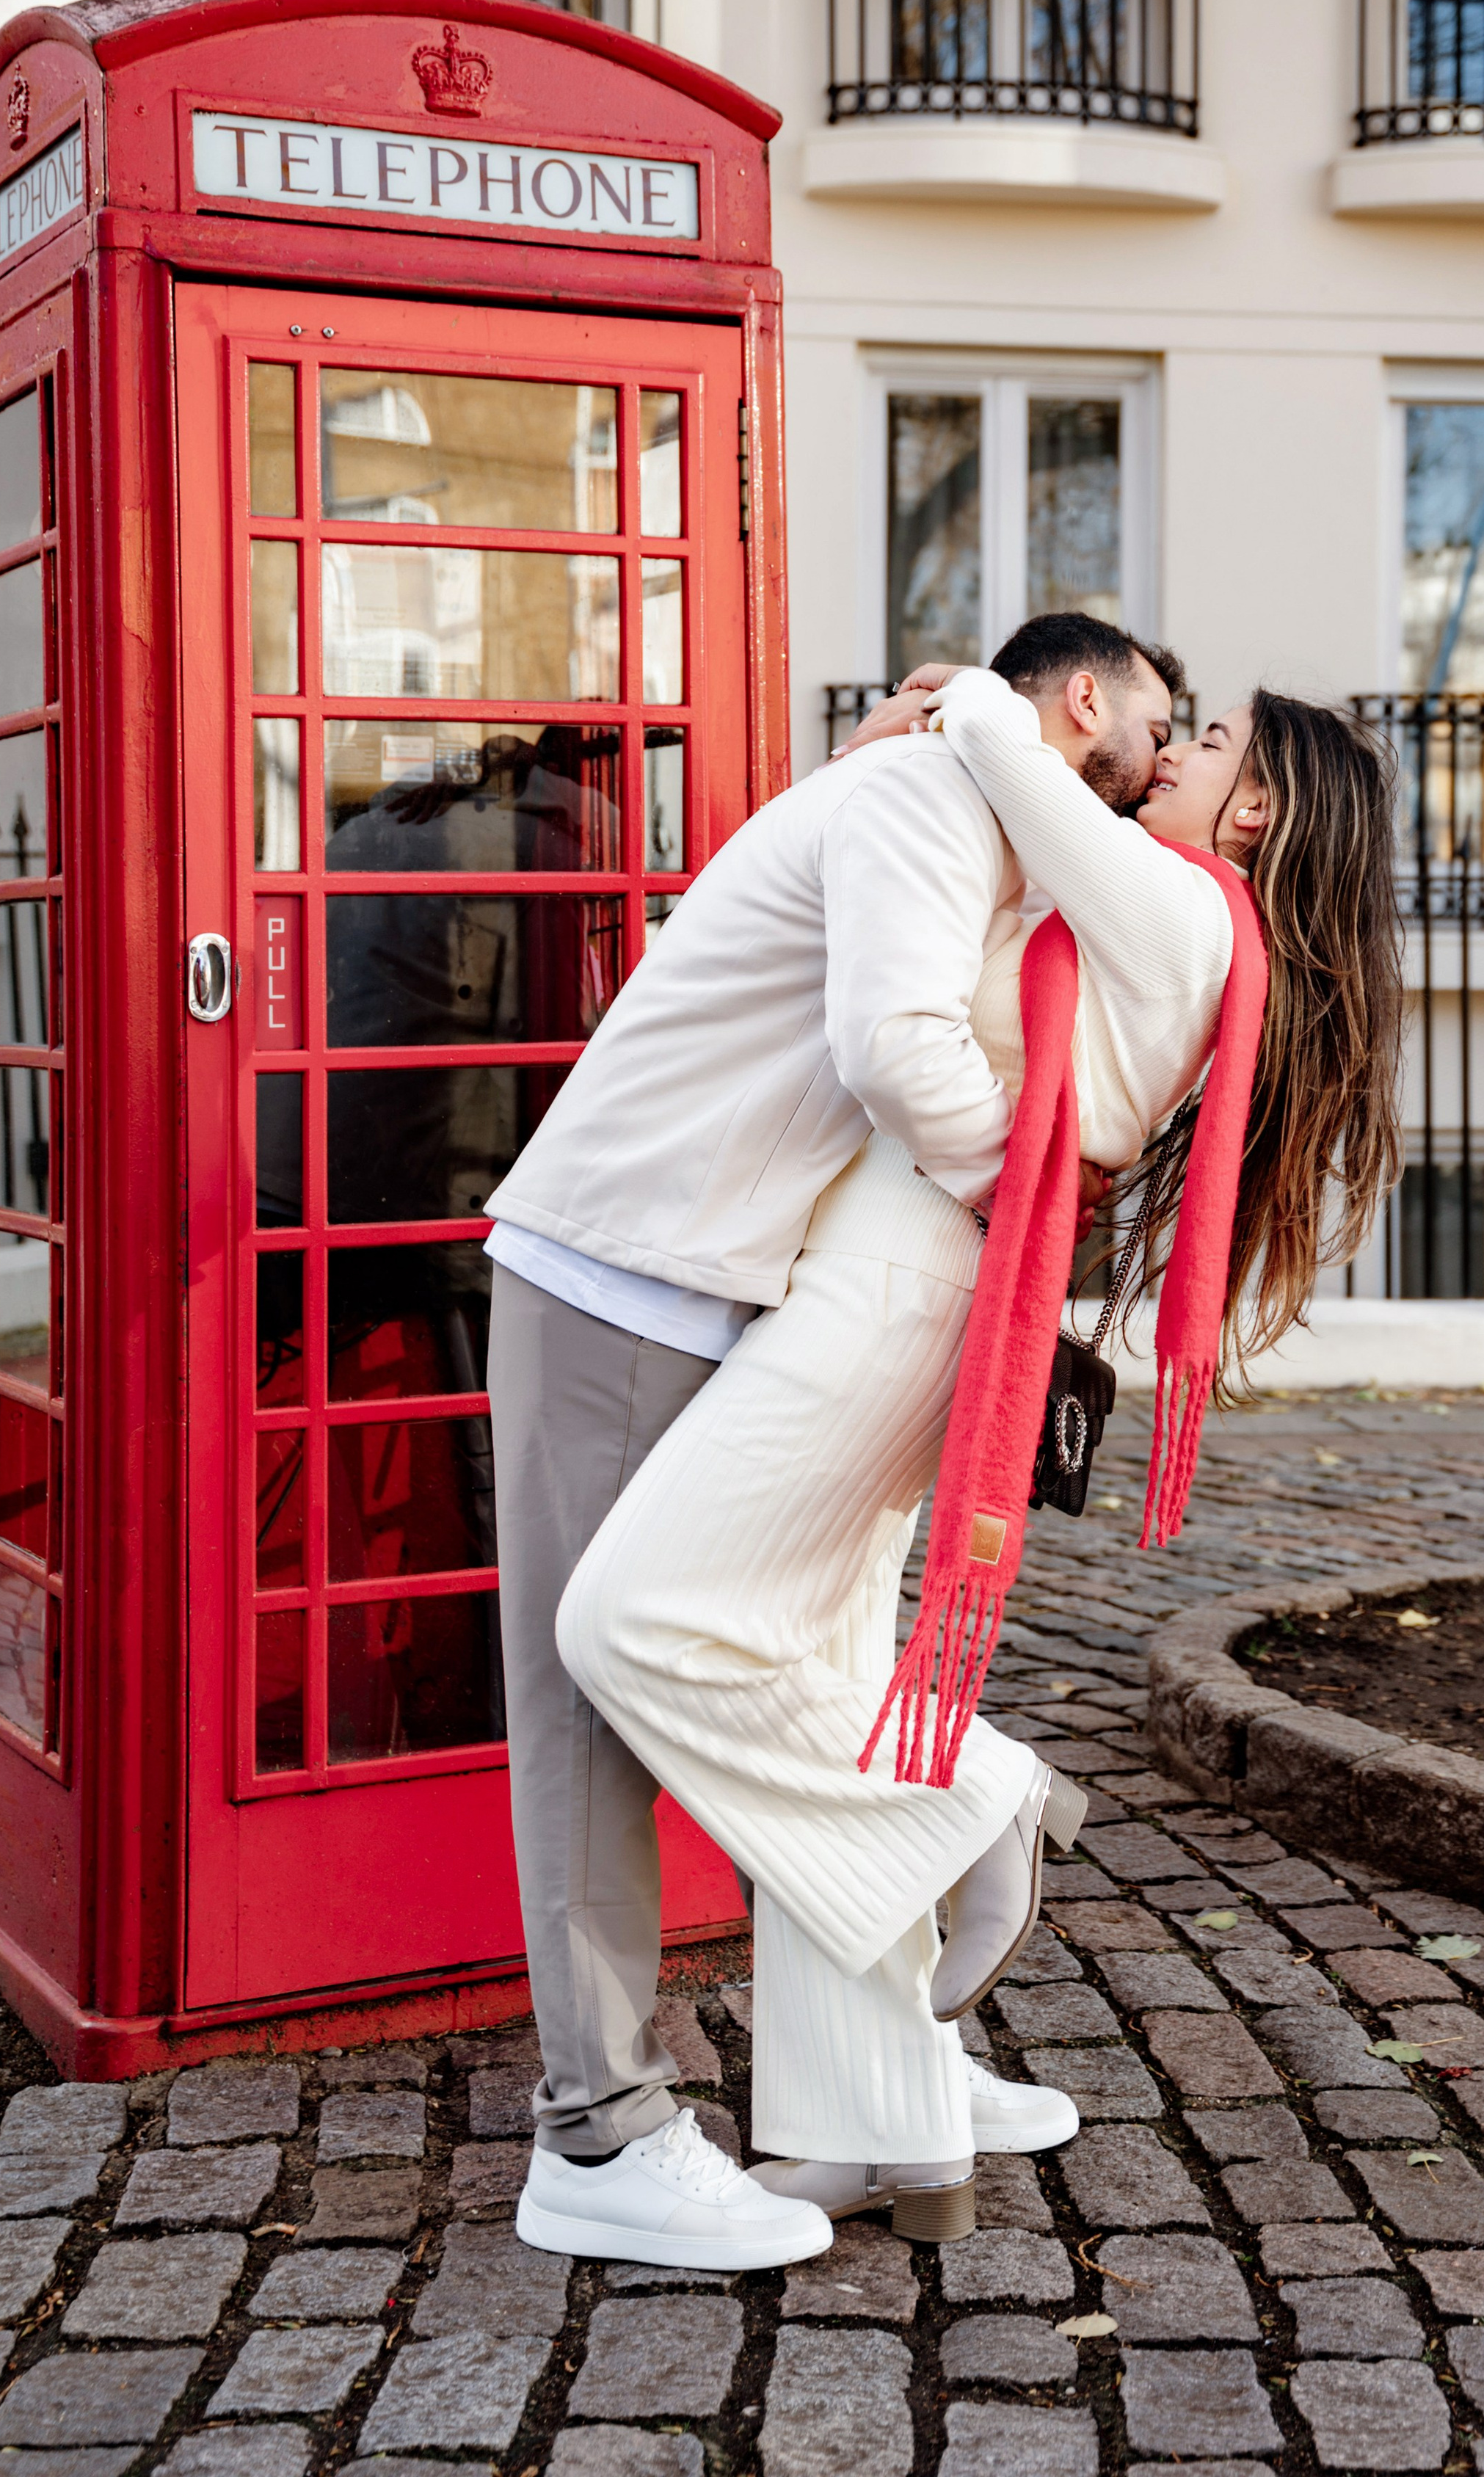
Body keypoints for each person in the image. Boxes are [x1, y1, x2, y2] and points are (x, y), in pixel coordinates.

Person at [553, 650, 1402, 2237]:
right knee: (818, 1668)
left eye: (1207, 739)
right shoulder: (1179, 930)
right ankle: (877, 2123)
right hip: (921, 1282)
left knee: (624, 1620)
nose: (1175, 755)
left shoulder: (1173, 913)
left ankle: (984, 1799)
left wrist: (970, 699)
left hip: (893, 1290)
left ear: (1262, 807)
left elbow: (1009, 749)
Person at [482, 614, 1182, 2268]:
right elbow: (893, 1050)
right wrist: (1029, 1209)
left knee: (763, 1636)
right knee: (594, 1694)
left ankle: (893, 2059)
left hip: (714, 1272)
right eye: (1162, 719)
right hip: (628, 1268)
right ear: (1078, 698)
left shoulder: (962, 809)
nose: (1169, 752)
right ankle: (598, 2128)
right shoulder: (928, 800)